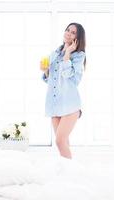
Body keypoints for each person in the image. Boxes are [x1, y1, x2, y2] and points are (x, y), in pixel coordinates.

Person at [40, 22, 86, 159]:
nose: (68, 33)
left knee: (59, 141)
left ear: (77, 38)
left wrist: (68, 52)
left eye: (73, 33)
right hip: (54, 104)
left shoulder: (78, 56)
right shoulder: (54, 54)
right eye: (67, 30)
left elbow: (68, 76)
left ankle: (71, 172)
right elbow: (50, 80)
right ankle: (67, 172)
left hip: (70, 105)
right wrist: (46, 71)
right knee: (64, 142)